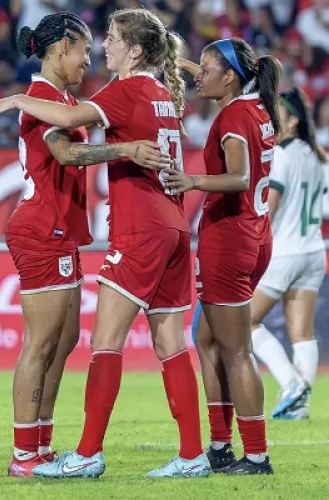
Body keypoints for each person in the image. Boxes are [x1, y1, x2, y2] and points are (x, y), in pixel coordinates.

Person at [0, 8, 209, 479]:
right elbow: (65, 150)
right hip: (164, 225)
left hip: (136, 228)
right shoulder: (159, 93)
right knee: (155, 341)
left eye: (107, 41)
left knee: (91, 341)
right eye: (89, 45)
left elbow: (70, 124)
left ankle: (78, 451)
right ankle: (188, 454)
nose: (97, 53)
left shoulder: (114, 91)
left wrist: (14, 100)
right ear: (60, 49)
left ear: (134, 50)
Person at [162, 38, 283, 475]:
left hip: (229, 239)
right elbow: (211, 72)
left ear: (229, 77)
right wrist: (173, 57)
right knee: (208, 339)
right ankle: (219, 444)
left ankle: (256, 455)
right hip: (253, 235)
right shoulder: (254, 107)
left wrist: (191, 181)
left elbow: (238, 177)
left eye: (206, 70)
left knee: (237, 350)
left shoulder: (232, 116)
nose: (199, 77)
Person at [249, 87, 327, 420]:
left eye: (277, 113)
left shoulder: (280, 155)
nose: (270, 117)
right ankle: (299, 406)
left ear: (292, 121)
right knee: (303, 333)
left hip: (284, 251)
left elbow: (271, 206)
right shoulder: (318, 155)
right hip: (313, 251)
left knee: (244, 322)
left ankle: (291, 383)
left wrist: (252, 241)